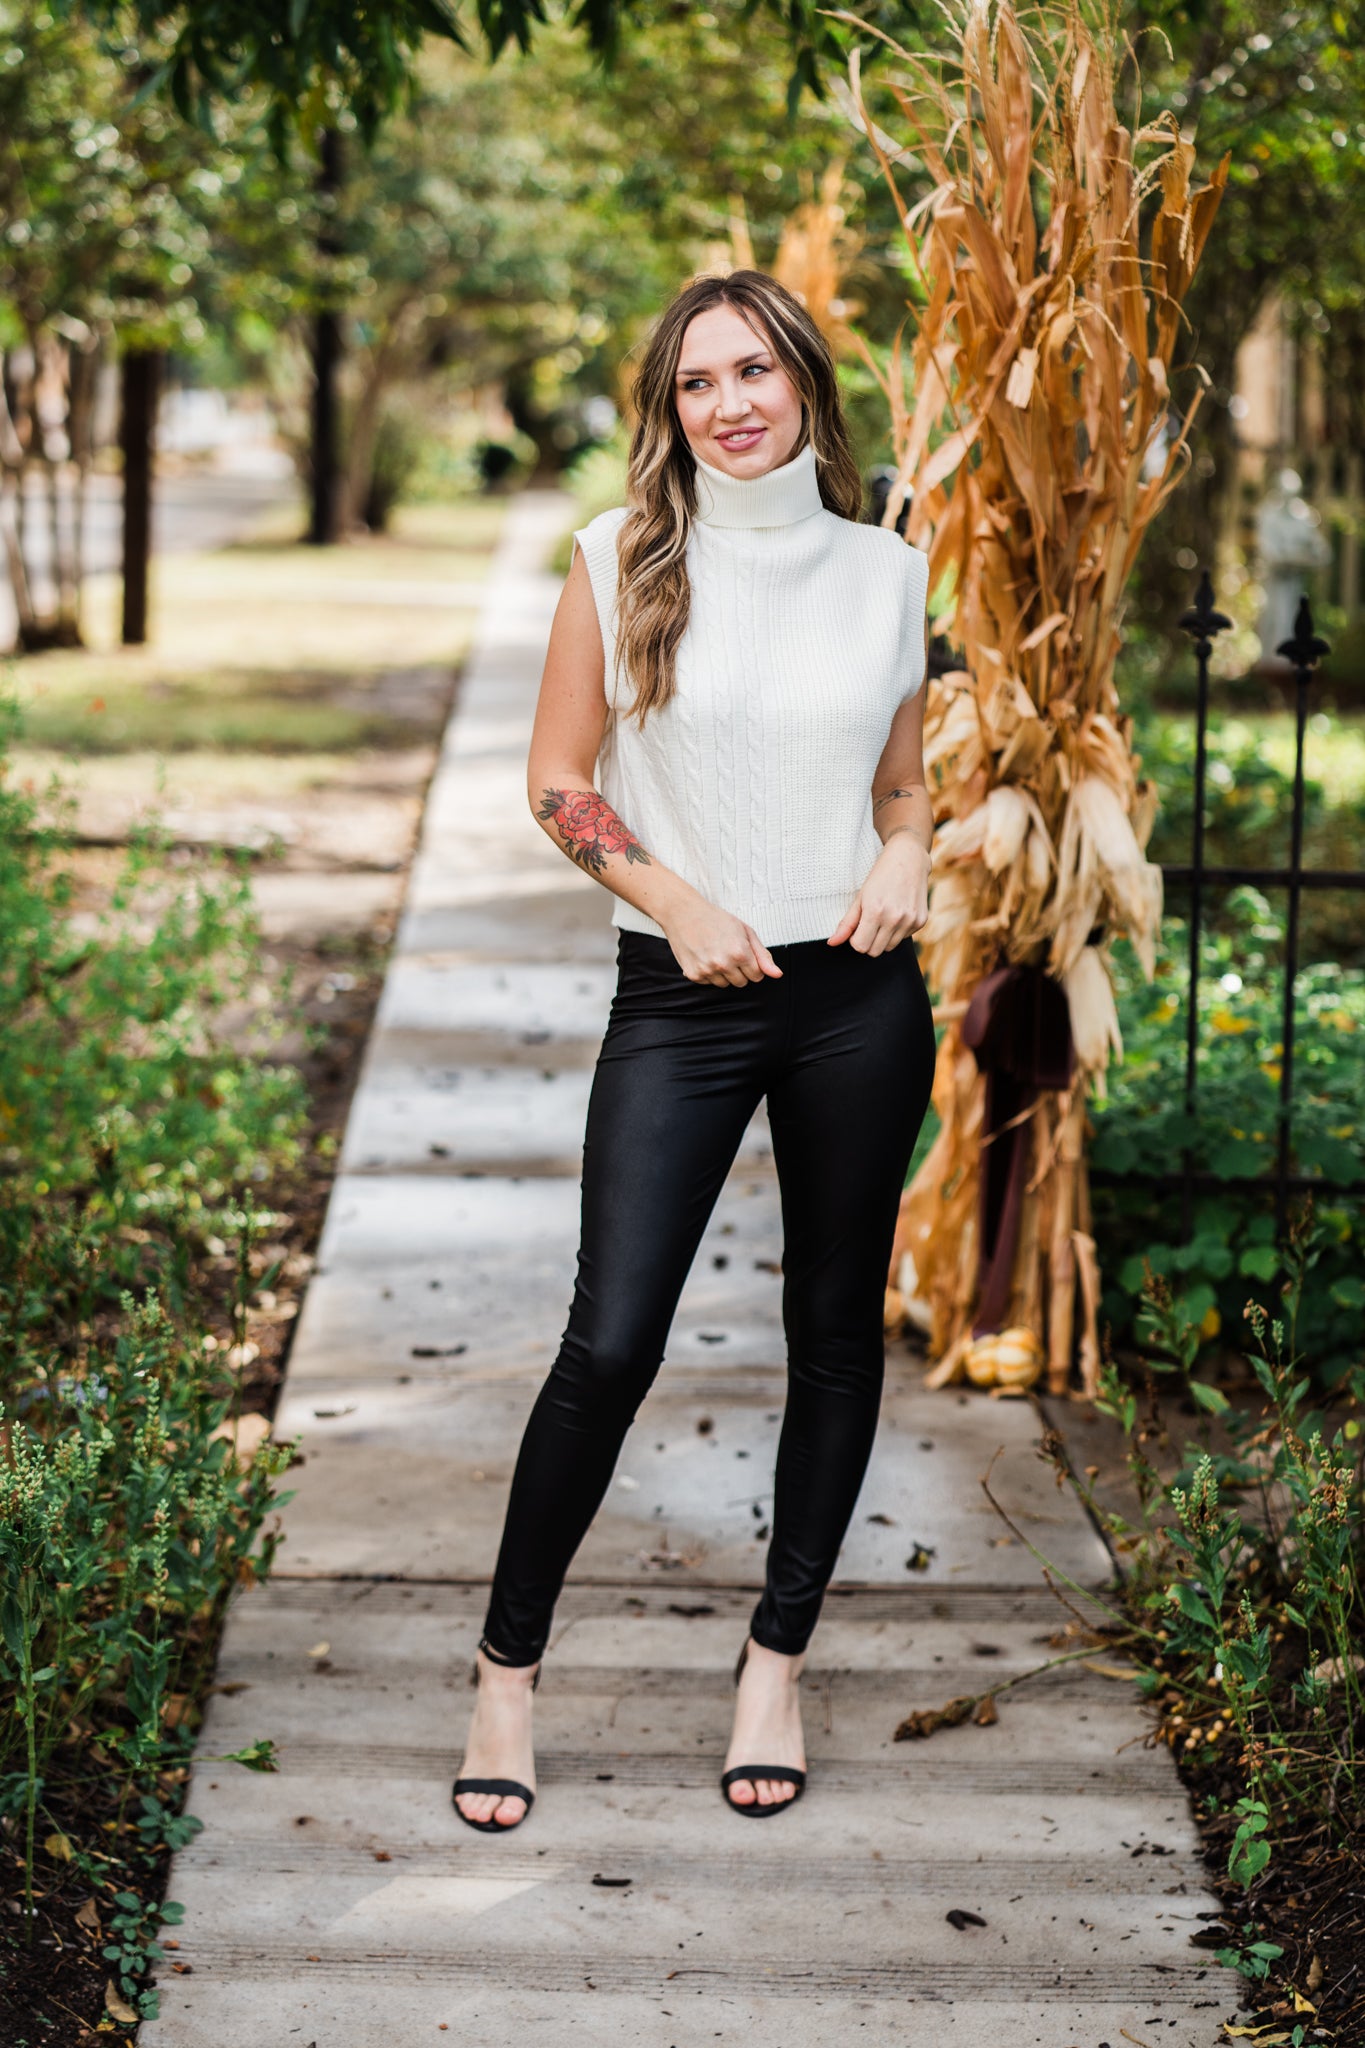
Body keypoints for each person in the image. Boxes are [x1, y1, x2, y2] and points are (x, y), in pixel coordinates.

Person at [453, 269, 936, 1832]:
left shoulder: (884, 570)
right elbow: (555, 781)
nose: (728, 405)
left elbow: (902, 789)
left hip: (855, 991)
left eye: (754, 372)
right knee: (610, 1342)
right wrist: (673, 900)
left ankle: (773, 1665)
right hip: (678, 997)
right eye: (694, 383)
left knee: (833, 1337)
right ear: (667, 409)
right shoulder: (616, 558)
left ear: (804, 380)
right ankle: (504, 1676)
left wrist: (908, 854)